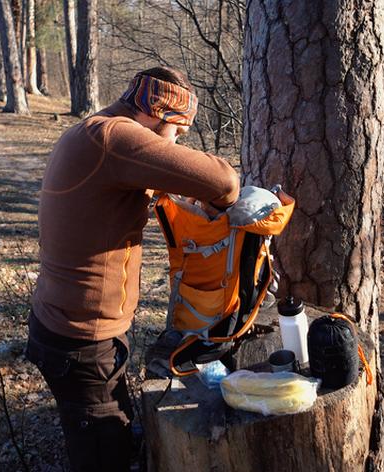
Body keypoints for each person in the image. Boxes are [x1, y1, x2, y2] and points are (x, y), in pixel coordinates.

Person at [26, 66, 240, 471]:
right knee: (104, 456)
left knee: (112, 436)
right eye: (177, 131)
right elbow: (224, 181)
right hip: (80, 341)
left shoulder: (97, 133)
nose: (177, 141)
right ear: (156, 116)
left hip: (77, 332)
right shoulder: (113, 136)